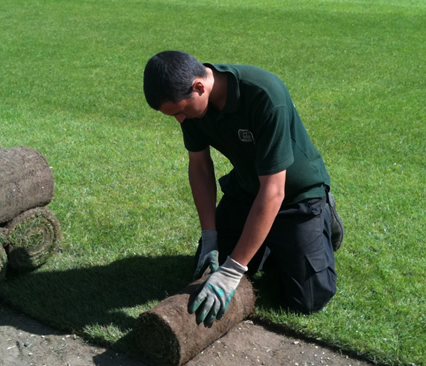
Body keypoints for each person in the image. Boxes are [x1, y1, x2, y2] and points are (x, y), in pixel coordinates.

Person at [143, 51, 344, 325]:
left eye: (180, 111)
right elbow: (200, 167)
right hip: (248, 189)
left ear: (199, 87)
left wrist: (234, 270)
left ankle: (324, 218)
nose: (179, 119)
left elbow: (274, 190)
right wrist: (210, 236)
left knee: (307, 300)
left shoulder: (263, 94)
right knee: (206, 271)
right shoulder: (191, 107)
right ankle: (270, 242)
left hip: (298, 195)